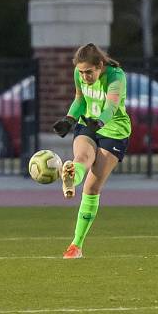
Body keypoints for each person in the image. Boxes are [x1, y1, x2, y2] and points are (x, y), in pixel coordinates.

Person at [52, 43, 131, 259]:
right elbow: (80, 100)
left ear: (100, 65)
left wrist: (101, 122)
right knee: (82, 157)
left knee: (92, 187)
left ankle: (76, 244)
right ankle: (71, 177)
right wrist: (69, 119)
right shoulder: (79, 74)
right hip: (88, 123)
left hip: (114, 131)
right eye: (81, 72)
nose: (85, 76)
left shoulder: (116, 77)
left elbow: (111, 107)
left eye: (89, 72)